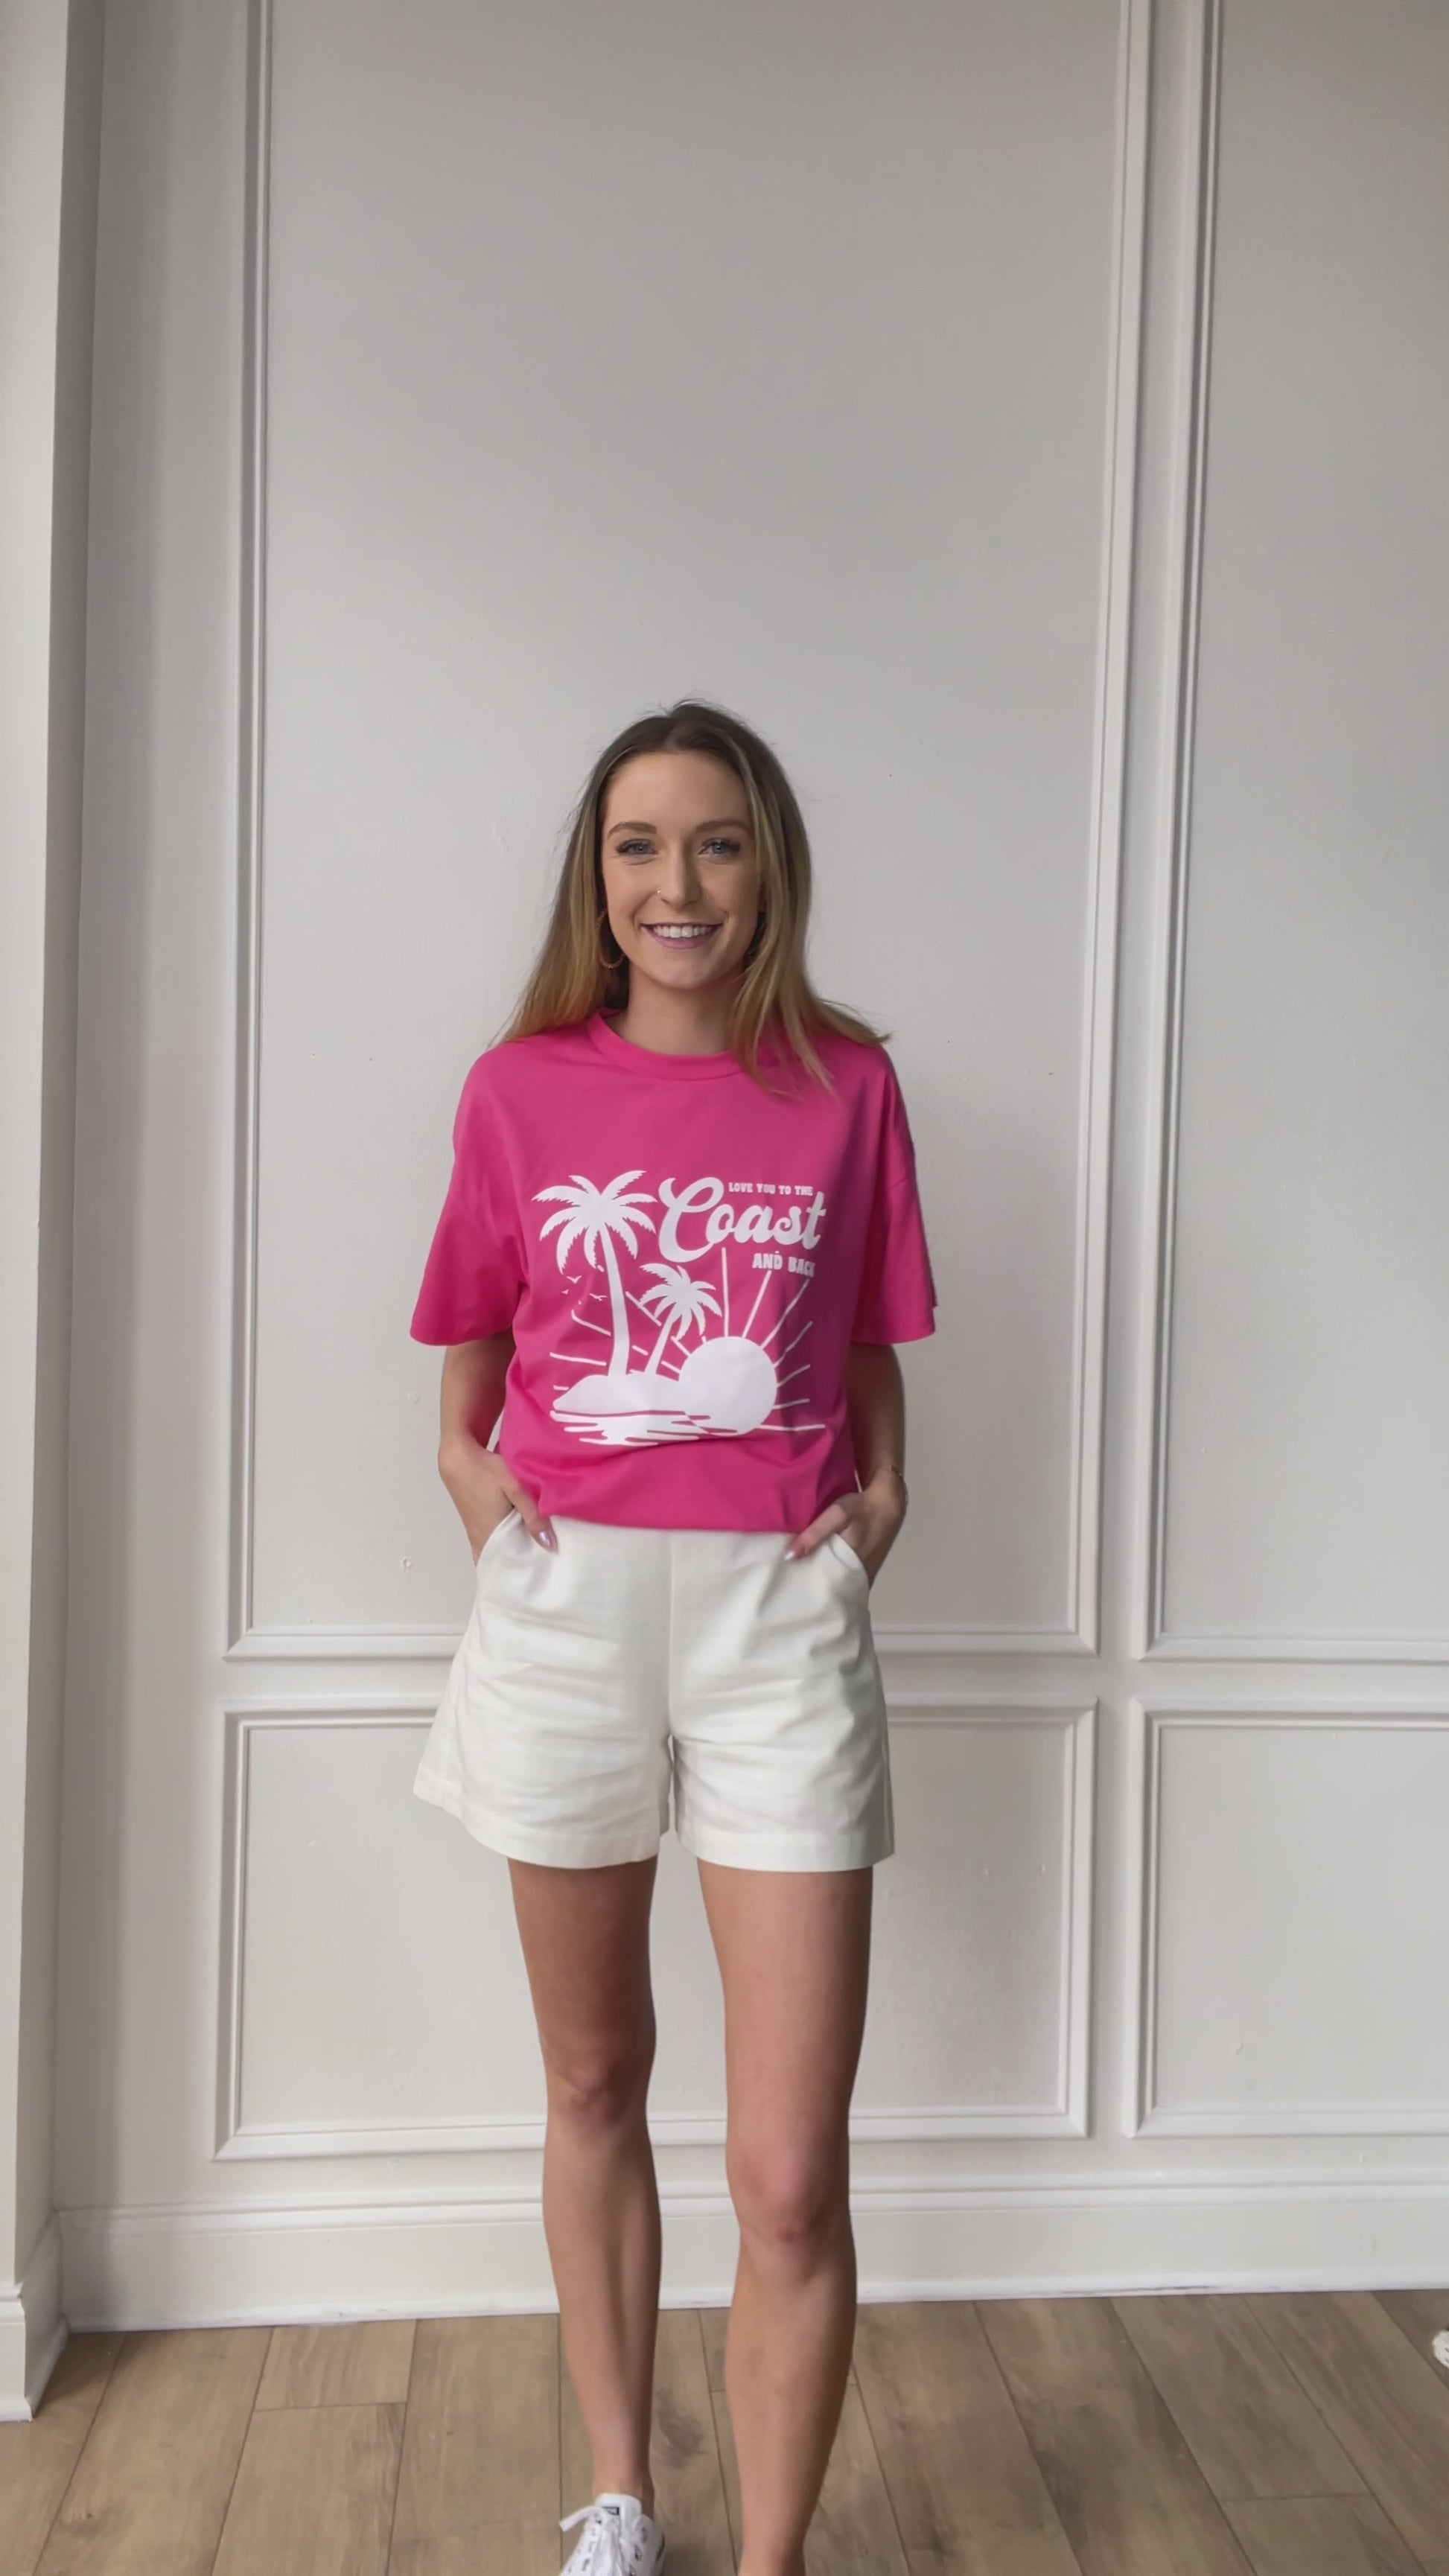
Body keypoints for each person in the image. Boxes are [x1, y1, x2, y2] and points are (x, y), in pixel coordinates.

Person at [409, 699, 937, 2576]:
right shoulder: (518, 1087)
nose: (677, 882)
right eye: (638, 844)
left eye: (715, 840)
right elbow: (469, 1354)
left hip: (774, 1620)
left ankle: (771, 2559)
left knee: (788, 2172)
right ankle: (622, 2497)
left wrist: (881, 1501)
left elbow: (864, 1337)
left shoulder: (847, 1086)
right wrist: (476, 1488)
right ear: (597, 874)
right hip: (567, 1612)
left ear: (767, 863)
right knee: (593, 2079)